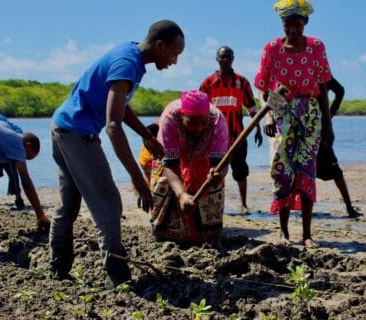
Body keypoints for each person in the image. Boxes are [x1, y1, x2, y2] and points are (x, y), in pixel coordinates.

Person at [50, 20, 185, 288]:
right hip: (78, 134)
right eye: (174, 53)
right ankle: (118, 276)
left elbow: (120, 105)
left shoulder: (132, 55)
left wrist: (145, 135)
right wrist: (138, 180)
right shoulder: (128, 63)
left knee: (68, 205)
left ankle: (57, 270)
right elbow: (112, 126)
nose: (175, 61)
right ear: (160, 46)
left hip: (61, 127)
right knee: (109, 204)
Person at [254, 0, 334, 248]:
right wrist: (266, 116)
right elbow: (263, 88)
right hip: (280, 107)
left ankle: (307, 234)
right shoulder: (272, 48)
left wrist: (328, 124)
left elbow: (321, 88)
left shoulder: (316, 47)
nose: (292, 30)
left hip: (309, 111)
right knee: (281, 169)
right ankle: (284, 232)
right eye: (287, 25)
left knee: (306, 170)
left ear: (305, 23)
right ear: (282, 24)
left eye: (297, 24)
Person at [149, 90, 228, 246]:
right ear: (182, 116)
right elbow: (169, 164)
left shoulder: (218, 120)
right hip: (172, 162)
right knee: (164, 183)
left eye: (203, 123)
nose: (198, 128)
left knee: (213, 186)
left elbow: (221, 164)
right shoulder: (170, 118)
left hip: (203, 160)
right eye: (192, 123)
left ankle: (207, 236)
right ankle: (165, 233)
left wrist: (217, 173)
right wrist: (182, 195)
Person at [199, 46, 262, 214]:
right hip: (213, 138)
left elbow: (252, 107)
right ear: (217, 59)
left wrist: (257, 128)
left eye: (228, 57)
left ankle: (243, 203)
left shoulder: (242, 82)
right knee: (214, 171)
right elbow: (199, 110)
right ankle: (212, 203)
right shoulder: (208, 83)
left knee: (240, 170)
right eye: (222, 57)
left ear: (233, 59)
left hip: (237, 136)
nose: (225, 60)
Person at [0, 110, 51, 229]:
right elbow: (26, 181)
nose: (23, 159)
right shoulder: (17, 142)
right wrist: (40, 215)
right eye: (27, 156)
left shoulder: (7, 128)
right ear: (28, 145)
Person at [317, 77, 362, 218]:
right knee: (305, 171)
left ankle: (349, 207)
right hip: (313, 128)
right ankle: (349, 208)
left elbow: (340, 91)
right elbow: (340, 91)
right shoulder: (313, 71)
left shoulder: (321, 73)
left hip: (319, 130)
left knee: (334, 171)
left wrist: (328, 117)